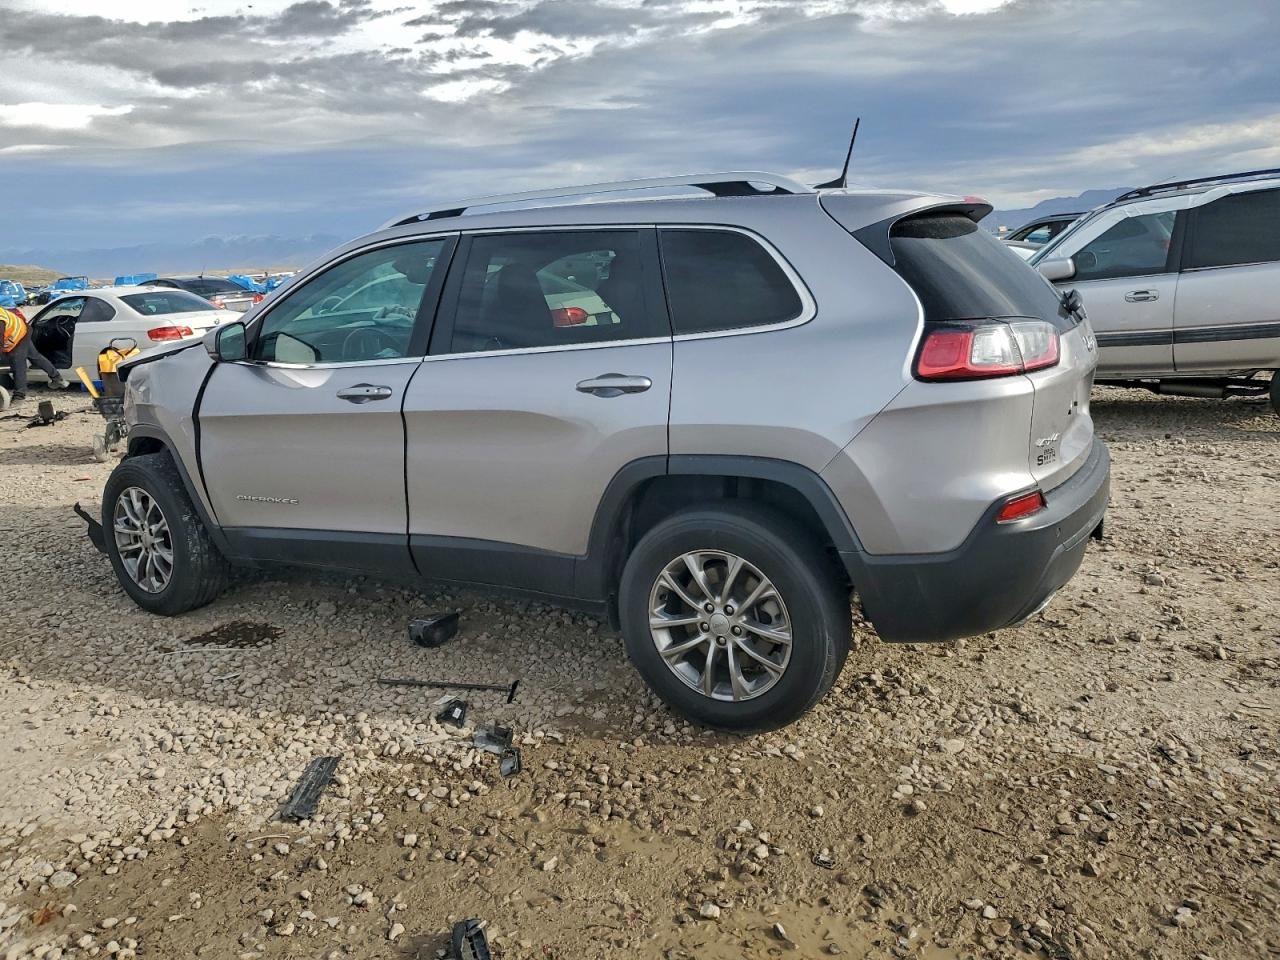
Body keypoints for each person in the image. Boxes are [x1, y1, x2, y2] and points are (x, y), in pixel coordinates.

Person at [1, 300, 68, 402]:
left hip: (18, 334)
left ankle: (19, 396)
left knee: (17, 361)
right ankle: (57, 378)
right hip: (20, 329)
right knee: (34, 356)